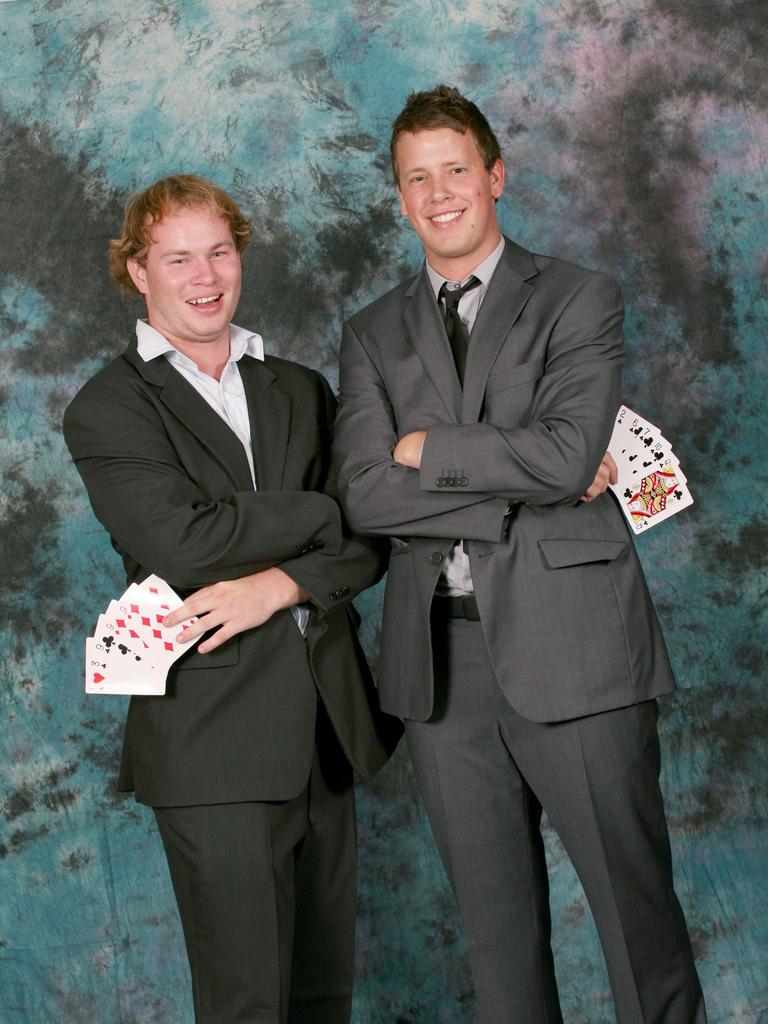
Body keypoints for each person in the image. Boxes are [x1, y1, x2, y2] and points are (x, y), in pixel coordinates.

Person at [333, 86, 706, 1023]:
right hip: (441, 674)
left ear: (495, 176)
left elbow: (571, 454)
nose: (439, 192)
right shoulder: (371, 332)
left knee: (637, 926)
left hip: (576, 650)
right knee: (498, 955)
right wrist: (518, 481)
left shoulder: (579, 296)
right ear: (400, 196)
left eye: (455, 169)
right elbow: (365, 492)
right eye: (417, 178)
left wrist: (431, 450)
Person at [63, 174, 399, 1024]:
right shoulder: (108, 408)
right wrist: (326, 512)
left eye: (219, 250)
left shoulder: (300, 388)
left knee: (323, 996)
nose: (204, 275)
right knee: (248, 1003)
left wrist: (280, 583)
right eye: (178, 258)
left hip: (329, 730)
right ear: (139, 271)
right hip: (213, 745)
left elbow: (369, 543)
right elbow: (182, 541)